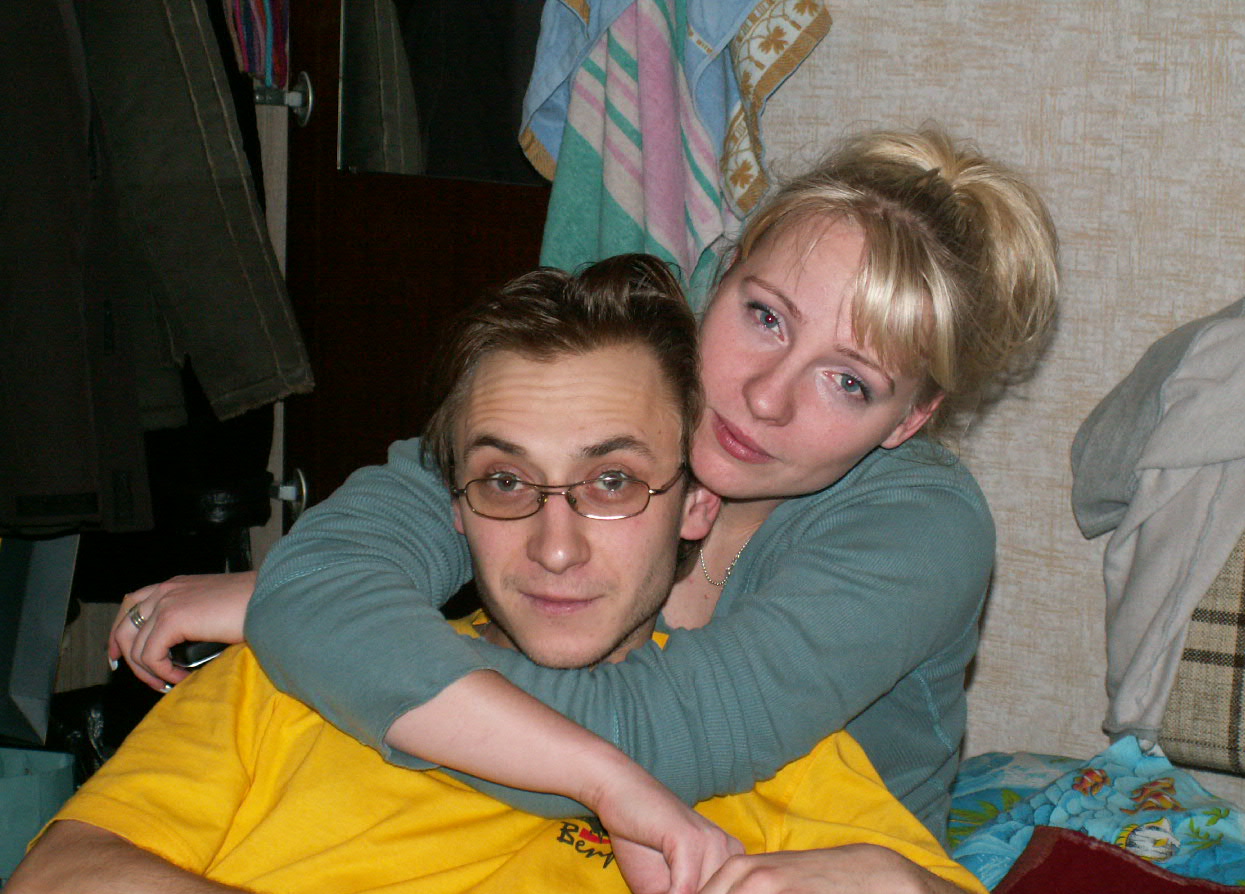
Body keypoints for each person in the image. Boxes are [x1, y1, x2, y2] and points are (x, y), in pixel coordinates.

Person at [0, 255, 1083, 894]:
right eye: (506, 482)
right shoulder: (282, 681)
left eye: (612, 483)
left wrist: (901, 892)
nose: (554, 547)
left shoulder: (777, 754)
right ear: (453, 509)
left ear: (695, 504)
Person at [111, 126, 1059, 850]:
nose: (766, 396)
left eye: (848, 381)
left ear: (908, 420)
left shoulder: (919, 528)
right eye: (766, 317)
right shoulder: (631, 385)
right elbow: (369, 536)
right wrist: (315, 604)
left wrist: (302, 620)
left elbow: (647, 741)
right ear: (720, 278)